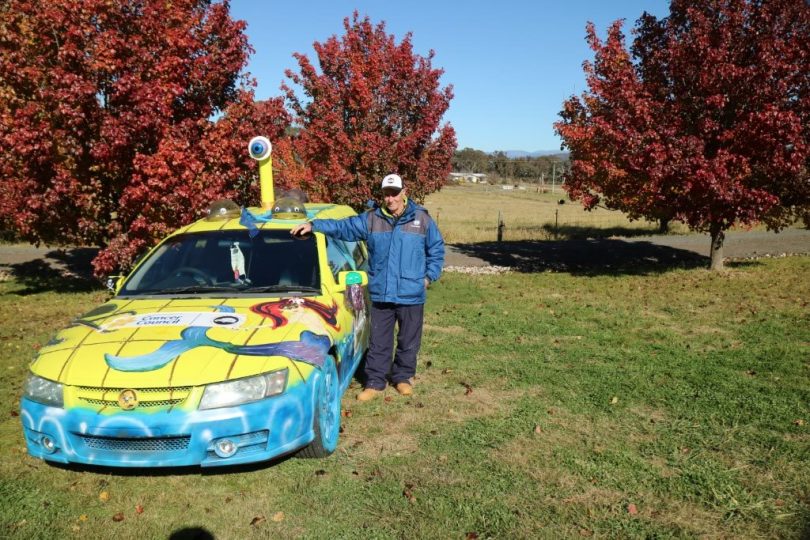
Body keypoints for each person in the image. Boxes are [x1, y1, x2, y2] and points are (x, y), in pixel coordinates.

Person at [290, 174, 444, 401]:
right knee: (379, 339)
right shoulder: (371, 219)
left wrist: (428, 277)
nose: (390, 198)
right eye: (386, 194)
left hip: (412, 293)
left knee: (408, 339)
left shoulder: (421, 219)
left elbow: (437, 250)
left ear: (403, 192)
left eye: (394, 193)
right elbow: (342, 227)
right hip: (382, 291)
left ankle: (403, 377)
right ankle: (375, 382)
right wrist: (314, 225)